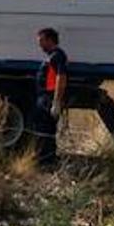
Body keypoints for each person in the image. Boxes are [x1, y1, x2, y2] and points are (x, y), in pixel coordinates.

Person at [33, 27, 67, 167]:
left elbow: (61, 78)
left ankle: (47, 161)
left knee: (46, 129)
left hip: (49, 98)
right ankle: (43, 158)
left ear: (49, 40)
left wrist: (56, 102)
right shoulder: (51, 56)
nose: (39, 44)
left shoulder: (57, 56)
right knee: (41, 128)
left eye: (41, 41)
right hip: (44, 97)